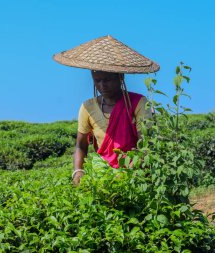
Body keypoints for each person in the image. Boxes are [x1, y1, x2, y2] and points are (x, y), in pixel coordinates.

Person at [53, 35, 160, 185]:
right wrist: (78, 171)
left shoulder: (138, 103)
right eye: (98, 81)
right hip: (102, 173)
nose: (103, 85)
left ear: (120, 77)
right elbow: (80, 145)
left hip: (135, 170)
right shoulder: (88, 107)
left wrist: (134, 164)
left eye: (108, 80)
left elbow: (146, 141)